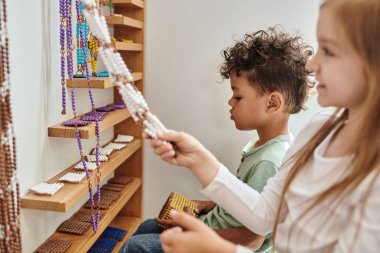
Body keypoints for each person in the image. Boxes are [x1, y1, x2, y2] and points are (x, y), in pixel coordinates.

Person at [149, 0, 380, 252]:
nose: (313, 66)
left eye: (329, 50)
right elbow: (265, 213)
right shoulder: (319, 128)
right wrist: (198, 159)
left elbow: (255, 237)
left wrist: (219, 249)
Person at [120, 27, 314, 253]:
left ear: (272, 103)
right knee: (147, 226)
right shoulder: (262, 147)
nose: (230, 102)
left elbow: (252, 240)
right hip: (212, 228)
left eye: (238, 96)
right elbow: (247, 201)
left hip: (220, 245)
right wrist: (209, 205)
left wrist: (194, 233)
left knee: (137, 247)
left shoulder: (270, 161)